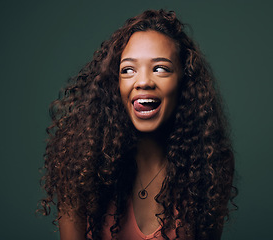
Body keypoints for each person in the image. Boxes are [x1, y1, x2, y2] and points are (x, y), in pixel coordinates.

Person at [39, 9, 237, 240]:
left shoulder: (210, 163)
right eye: (128, 70)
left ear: (185, 81)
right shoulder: (80, 160)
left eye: (160, 68)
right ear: (115, 84)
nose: (142, 82)